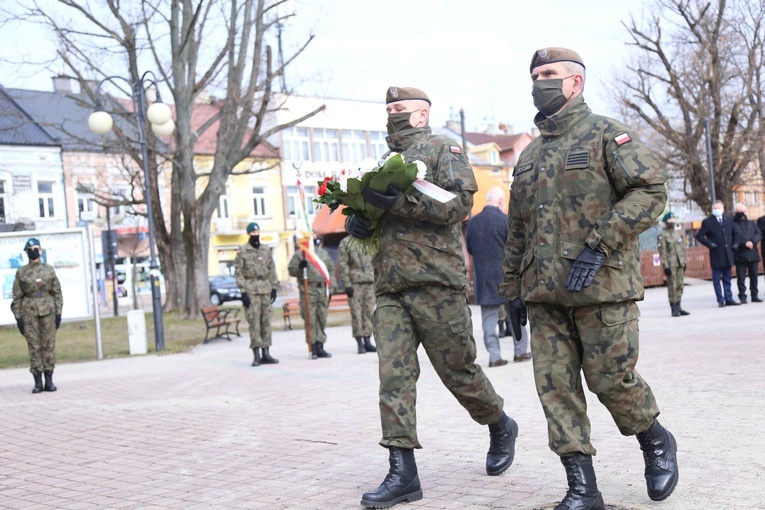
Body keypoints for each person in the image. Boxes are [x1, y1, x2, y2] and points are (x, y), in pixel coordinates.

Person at [500, 48, 679, 510]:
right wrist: (510, 293)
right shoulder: (529, 156)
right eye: (535, 74)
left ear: (575, 83)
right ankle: (582, 487)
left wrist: (600, 243)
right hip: (544, 294)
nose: (540, 81)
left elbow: (651, 189)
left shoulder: (605, 133)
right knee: (555, 388)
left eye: (550, 74)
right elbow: (518, 227)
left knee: (610, 380)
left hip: (600, 286)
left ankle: (655, 440)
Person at [346, 86, 518, 509]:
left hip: (436, 283)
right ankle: (403, 472)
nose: (392, 115)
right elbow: (378, 211)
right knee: (394, 377)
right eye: (388, 109)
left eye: (400, 109)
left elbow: (460, 205)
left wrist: (400, 202)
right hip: (389, 286)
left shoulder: (444, 149)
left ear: (422, 115)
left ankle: (499, 423)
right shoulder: (382, 163)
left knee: (458, 371)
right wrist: (362, 221)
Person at [466, 185, 530, 366]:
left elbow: (470, 249)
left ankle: (494, 356)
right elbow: (515, 248)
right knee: (516, 316)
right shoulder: (505, 220)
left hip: (484, 278)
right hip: (507, 276)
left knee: (488, 320)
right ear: (501, 202)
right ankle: (520, 352)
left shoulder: (473, 223)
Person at [11, 238, 63, 394]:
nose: (33, 251)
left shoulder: (48, 270)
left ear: (40, 250)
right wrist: (18, 317)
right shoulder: (21, 272)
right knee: (34, 346)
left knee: (48, 344)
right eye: (30, 249)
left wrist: (58, 313)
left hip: (48, 311)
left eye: (36, 248)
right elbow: (17, 297)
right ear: (26, 252)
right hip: (29, 312)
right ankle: (37, 382)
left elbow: (57, 293)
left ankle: (49, 379)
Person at [234, 222, 279, 367]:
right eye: (253, 233)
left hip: (265, 289)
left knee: (266, 321)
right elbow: (238, 272)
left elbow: (272, 268)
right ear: (248, 235)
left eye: (258, 232)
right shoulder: (243, 251)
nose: (256, 235)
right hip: (251, 290)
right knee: (254, 323)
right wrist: (243, 292)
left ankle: (266, 352)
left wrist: (274, 287)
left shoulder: (265, 249)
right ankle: (256, 355)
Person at [287, 233, 336, 359]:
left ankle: (320, 346)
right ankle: (312, 346)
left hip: (322, 289)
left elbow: (331, 270)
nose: (314, 239)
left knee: (321, 318)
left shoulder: (323, 253)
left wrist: (330, 289)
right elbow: (292, 270)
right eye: (311, 236)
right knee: (310, 320)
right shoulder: (300, 254)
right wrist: (300, 267)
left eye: (315, 236)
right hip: (308, 290)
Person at [336, 235, 376, 354]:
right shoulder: (346, 242)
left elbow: (376, 260)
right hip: (355, 283)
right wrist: (347, 284)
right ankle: (360, 342)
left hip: (370, 281)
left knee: (369, 312)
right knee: (356, 313)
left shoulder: (369, 240)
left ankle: (368, 340)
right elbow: (343, 265)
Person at [695, 200, 738, 307]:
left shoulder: (728, 219)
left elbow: (735, 233)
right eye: (715, 208)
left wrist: (735, 244)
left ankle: (729, 298)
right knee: (717, 279)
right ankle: (720, 299)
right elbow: (699, 235)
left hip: (728, 253)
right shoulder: (708, 222)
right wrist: (710, 244)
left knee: (727, 278)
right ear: (712, 210)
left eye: (719, 208)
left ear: (723, 209)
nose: (717, 210)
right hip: (716, 254)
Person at [657, 212, 690, 316]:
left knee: (680, 285)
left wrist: (684, 262)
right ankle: (673, 307)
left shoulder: (677, 233)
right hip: (670, 264)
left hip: (679, 262)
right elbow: (662, 252)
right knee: (672, 285)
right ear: (666, 222)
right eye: (670, 221)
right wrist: (665, 266)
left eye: (673, 220)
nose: (672, 222)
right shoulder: (662, 235)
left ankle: (679, 305)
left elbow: (682, 249)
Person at [731, 203, 762, 303]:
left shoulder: (751, 223)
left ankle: (754, 295)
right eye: (738, 211)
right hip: (740, 254)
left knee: (754, 276)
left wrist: (752, 242)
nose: (740, 213)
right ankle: (742, 296)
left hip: (753, 254)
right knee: (741, 277)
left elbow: (758, 234)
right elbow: (733, 238)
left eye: (742, 211)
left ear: (745, 212)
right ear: (735, 212)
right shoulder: (732, 224)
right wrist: (744, 243)